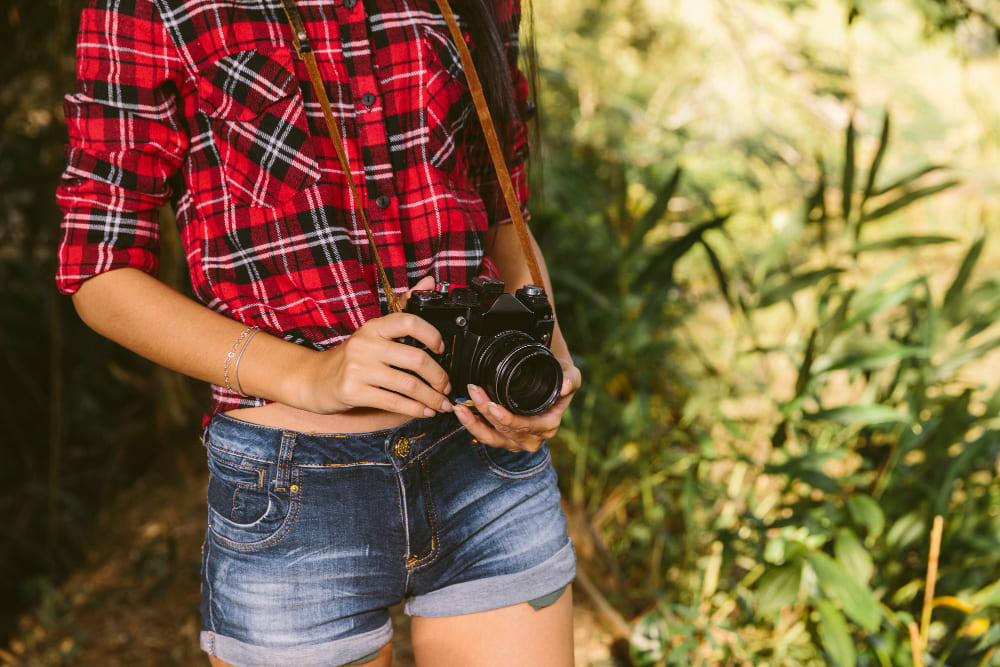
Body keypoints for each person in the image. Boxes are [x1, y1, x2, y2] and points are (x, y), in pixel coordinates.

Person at [56, 0, 581, 664]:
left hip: (484, 456)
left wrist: (547, 354)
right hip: (291, 485)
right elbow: (100, 273)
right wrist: (309, 375)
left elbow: (504, 208)